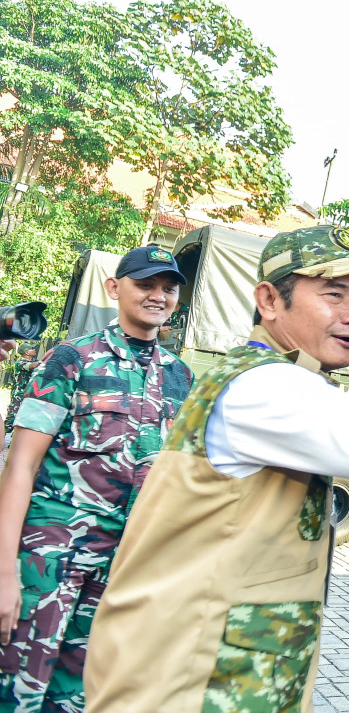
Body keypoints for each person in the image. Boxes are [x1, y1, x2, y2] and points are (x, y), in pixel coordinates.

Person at [84, 225, 349, 712]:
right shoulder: (260, 388)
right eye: (333, 294)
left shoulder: (278, 378)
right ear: (269, 300)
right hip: (186, 686)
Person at [0, 246, 195, 712]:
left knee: (83, 694)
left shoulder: (181, 377)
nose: (158, 295)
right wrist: (4, 571)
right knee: (18, 689)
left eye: (168, 288)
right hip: (49, 561)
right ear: (114, 287)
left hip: (123, 568)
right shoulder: (72, 359)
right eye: (144, 284)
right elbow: (21, 465)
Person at [4, 347, 39, 438]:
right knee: (12, 417)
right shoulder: (20, 362)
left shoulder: (33, 361)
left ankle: (14, 439)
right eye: (32, 348)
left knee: (24, 418)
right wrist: (44, 361)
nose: (34, 349)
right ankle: (2, 434)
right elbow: (31, 366)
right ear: (26, 352)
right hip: (19, 394)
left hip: (28, 395)